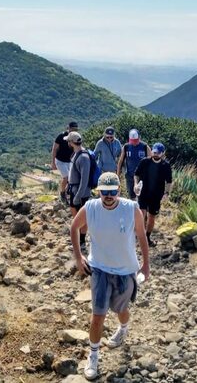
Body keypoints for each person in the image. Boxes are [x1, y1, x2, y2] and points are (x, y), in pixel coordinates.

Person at [70, 172, 150, 381]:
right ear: (98, 191)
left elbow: (142, 236)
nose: (108, 196)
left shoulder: (131, 209)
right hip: (99, 270)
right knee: (98, 316)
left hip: (125, 271)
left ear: (118, 191)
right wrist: (79, 258)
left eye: (112, 191)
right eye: (104, 192)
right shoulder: (91, 208)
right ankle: (93, 356)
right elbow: (74, 227)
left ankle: (123, 328)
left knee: (121, 310)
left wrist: (146, 266)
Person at [134, 143, 172, 247]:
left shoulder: (166, 166)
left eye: (158, 153)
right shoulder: (145, 162)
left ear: (163, 153)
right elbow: (136, 174)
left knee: (151, 217)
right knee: (142, 214)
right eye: (154, 152)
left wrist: (167, 193)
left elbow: (169, 182)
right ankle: (139, 236)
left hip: (156, 195)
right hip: (143, 192)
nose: (155, 154)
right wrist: (136, 185)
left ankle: (147, 237)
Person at [67, 131, 92, 249]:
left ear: (72, 142)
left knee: (82, 217)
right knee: (76, 215)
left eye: (68, 141)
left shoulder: (83, 157)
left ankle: (81, 242)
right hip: (74, 189)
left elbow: (84, 179)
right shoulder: (76, 154)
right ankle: (77, 239)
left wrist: (78, 195)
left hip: (81, 193)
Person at [116, 129, 150, 200]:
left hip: (142, 176)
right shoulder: (126, 147)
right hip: (130, 176)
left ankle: (141, 210)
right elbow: (120, 161)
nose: (134, 143)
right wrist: (118, 175)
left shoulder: (145, 147)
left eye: (136, 141)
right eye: (132, 141)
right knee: (131, 196)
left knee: (142, 197)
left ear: (139, 138)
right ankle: (133, 210)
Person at [52, 121, 78, 203]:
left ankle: (66, 192)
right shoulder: (61, 136)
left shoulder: (76, 137)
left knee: (72, 178)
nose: (74, 131)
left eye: (75, 129)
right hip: (60, 160)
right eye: (72, 129)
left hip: (69, 161)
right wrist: (53, 162)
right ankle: (63, 193)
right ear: (68, 128)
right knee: (66, 177)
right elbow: (54, 149)